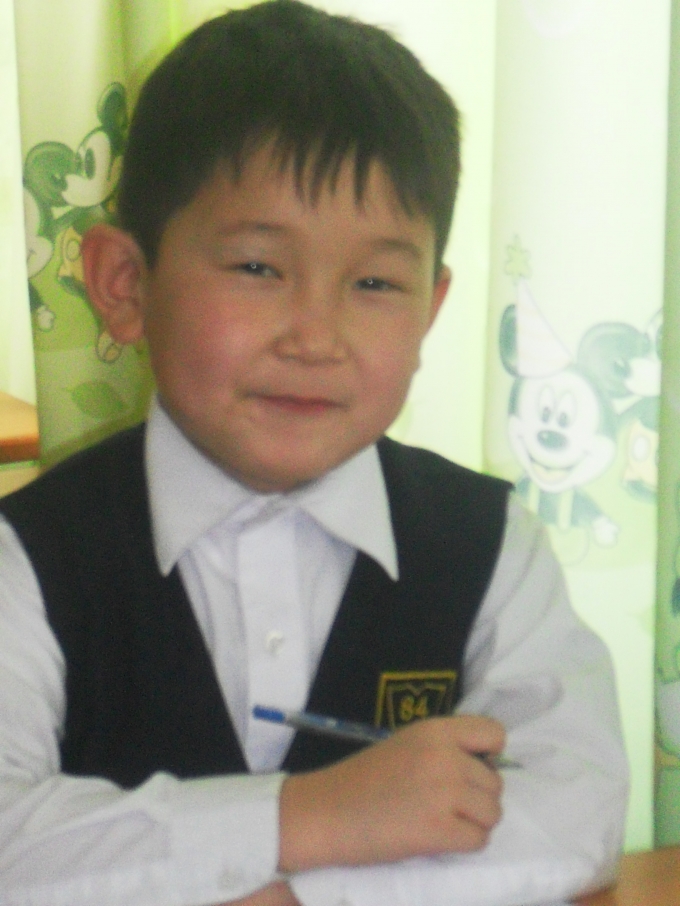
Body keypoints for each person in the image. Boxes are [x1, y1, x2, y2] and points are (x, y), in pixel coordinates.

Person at [0, 2, 628, 905]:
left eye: (375, 282)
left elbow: (576, 812)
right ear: (126, 285)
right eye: (258, 268)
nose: (316, 336)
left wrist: (309, 895)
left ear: (431, 311)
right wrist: (307, 817)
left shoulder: (490, 543)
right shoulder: (30, 556)